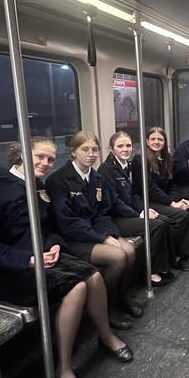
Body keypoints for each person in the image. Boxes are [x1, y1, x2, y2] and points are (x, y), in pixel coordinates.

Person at [0, 137, 132, 378]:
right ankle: (63, 370)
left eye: (50, 159)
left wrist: (54, 245)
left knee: (93, 276)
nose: (46, 163)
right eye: (40, 157)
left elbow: (49, 228)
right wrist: (28, 259)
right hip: (6, 272)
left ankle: (105, 335)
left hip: (44, 257)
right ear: (21, 154)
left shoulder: (38, 187)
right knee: (76, 287)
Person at [46, 131, 139, 331]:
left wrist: (109, 234)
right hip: (72, 238)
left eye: (95, 150)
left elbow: (102, 213)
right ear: (73, 151)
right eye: (85, 149)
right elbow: (67, 222)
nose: (91, 154)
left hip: (95, 232)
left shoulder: (97, 178)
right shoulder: (58, 180)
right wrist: (102, 239)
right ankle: (108, 308)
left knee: (129, 250)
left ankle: (123, 297)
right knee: (118, 257)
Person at [99, 132, 175, 287]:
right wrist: (139, 214)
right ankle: (149, 272)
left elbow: (133, 194)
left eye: (128, 145)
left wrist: (145, 209)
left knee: (164, 220)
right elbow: (115, 202)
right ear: (112, 149)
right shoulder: (106, 170)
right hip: (116, 218)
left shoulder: (127, 166)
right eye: (120, 146)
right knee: (156, 225)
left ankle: (163, 266)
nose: (125, 149)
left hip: (129, 213)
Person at [131, 127, 189, 271]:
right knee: (181, 215)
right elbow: (150, 188)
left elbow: (171, 185)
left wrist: (178, 201)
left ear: (164, 142)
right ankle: (181, 257)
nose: (156, 142)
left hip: (163, 199)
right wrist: (172, 204)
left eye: (160, 139)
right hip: (148, 201)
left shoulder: (166, 158)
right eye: (153, 139)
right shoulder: (140, 160)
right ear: (147, 141)